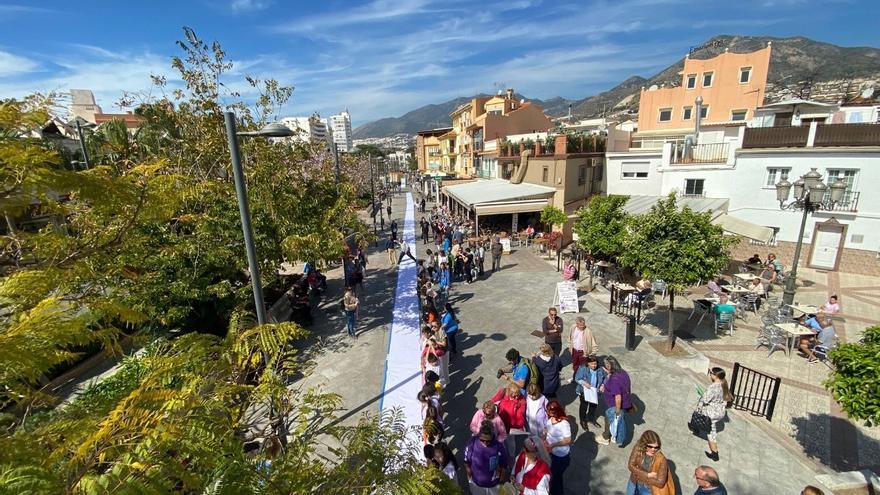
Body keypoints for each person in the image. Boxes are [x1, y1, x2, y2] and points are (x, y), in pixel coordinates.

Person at [696, 367, 733, 461]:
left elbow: (705, 399)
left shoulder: (713, 387)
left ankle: (715, 454)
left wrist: (702, 394)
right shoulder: (723, 384)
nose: (709, 374)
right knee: (711, 430)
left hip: (712, 412)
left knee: (710, 433)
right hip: (720, 412)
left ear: (715, 376)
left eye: (710, 373)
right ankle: (714, 453)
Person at [464, 422, 509, 495]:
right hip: (476, 484)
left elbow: (503, 466)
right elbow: (467, 462)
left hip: (494, 485)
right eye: (482, 440)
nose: (485, 443)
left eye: (488, 441)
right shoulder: (472, 442)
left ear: (492, 436)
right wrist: (469, 479)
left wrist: (501, 482)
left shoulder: (499, 446)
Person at [597, 356, 632, 446]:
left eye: (604, 367)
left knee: (609, 418)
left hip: (615, 405)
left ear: (608, 367)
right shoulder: (623, 373)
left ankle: (606, 437)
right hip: (625, 402)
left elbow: (618, 397)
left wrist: (617, 411)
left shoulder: (614, 380)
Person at [626, 430, 674, 495]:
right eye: (650, 446)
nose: (653, 449)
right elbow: (630, 465)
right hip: (634, 482)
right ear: (644, 444)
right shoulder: (638, 448)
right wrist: (647, 475)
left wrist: (639, 475)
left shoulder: (661, 460)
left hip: (648, 489)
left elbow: (660, 483)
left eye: (656, 447)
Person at [542, 400, 571, 495]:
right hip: (551, 452)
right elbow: (547, 429)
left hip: (560, 457)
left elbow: (568, 440)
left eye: (550, 412)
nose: (548, 414)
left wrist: (553, 445)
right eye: (547, 411)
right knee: (551, 475)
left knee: (556, 479)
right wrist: (544, 435)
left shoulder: (564, 424)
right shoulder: (550, 419)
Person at [492, 382, 528, 457]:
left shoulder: (521, 401)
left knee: (510, 442)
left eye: (518, 395)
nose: (517, 397)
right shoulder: (504, 392)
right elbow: (493, 400)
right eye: (514, 396)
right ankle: (501, 452)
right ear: (510, 392)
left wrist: (514, 403)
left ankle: (511, 455)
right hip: (500, 423)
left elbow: (519, 418)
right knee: (499, 440)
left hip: (510, 427)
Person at [575, 354, 607, 432]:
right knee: (584, 406)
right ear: (588, 363)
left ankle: (591, 419)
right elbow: (577, 378)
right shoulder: (583, 369)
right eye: (591, 364)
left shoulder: (600, 370)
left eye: (595, 364)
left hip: (595, 391)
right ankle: (583, 420)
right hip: (584, 391)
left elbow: (605, 378)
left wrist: (603, 385)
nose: (594, 366)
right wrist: (584, 383)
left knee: (593, 406)